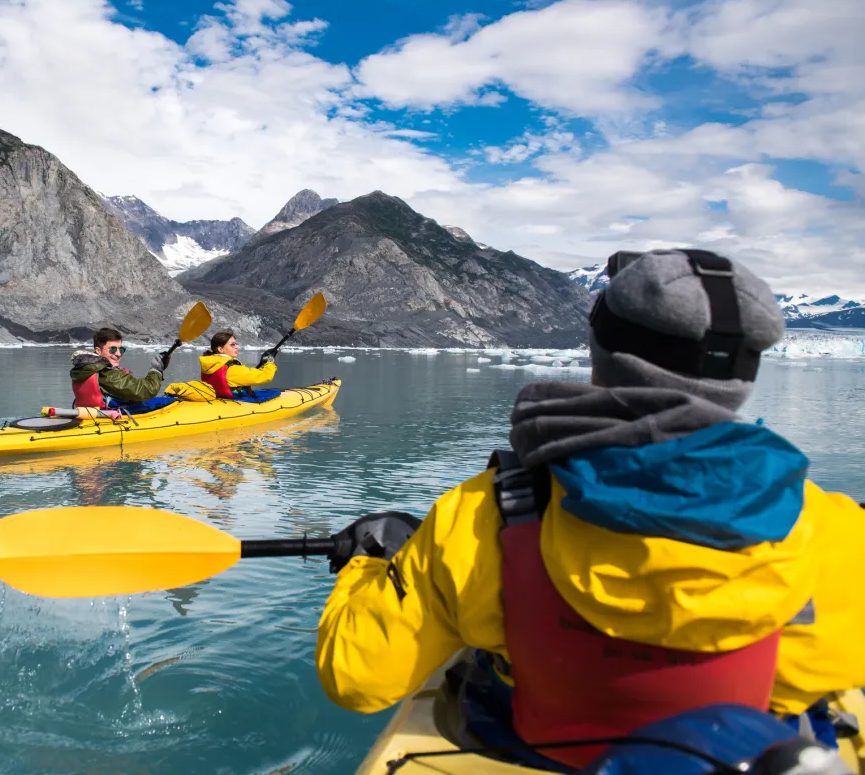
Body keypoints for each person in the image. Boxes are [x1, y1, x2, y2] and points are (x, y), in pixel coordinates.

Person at [315, 249, 865, 769]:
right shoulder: (835, 530)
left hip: (529, 749)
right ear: (744, 378)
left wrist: (368, 560)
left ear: (599, 353)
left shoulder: (485, 512)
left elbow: (357, 678)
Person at [70, 327, 166, 408]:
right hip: (109, 416)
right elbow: (145, 391)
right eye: (112, 349)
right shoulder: (107, 373)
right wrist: (156, 370)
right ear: (98, 351)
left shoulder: (86, 368)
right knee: (172, 401)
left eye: (121, 349)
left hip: (95, 413)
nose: (118, 354)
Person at [199, 330, 277, 399]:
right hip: (233, 400)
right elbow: (265, 376)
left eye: (236, 344)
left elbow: (247, 374)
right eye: (232, 344)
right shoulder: (232, 370)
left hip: (219, 397)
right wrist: (270, 362)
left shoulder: (210, 364)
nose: (236, 347)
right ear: (220, 349)